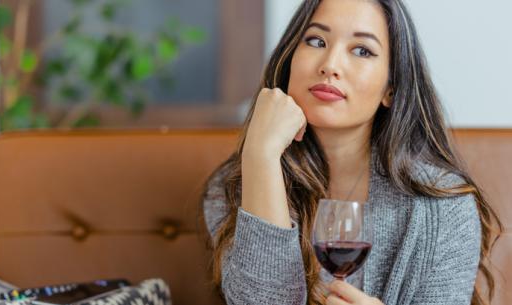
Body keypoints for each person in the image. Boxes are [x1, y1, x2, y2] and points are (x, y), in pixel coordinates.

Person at [200, 0, 502, 304]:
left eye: (362, 50)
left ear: (391, 89)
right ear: (291, 57)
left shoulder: (443, 206)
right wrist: (261, 156)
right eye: (316, 41)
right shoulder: (235, 186)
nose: (330, 64)